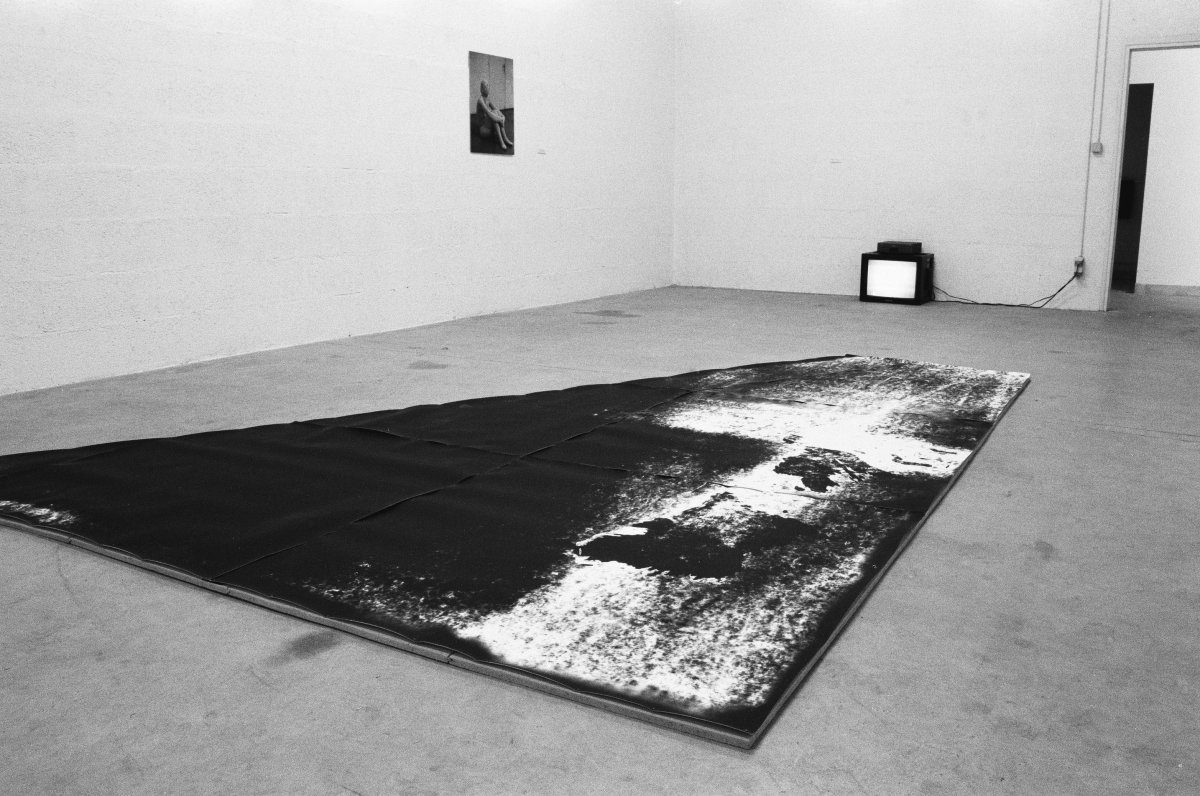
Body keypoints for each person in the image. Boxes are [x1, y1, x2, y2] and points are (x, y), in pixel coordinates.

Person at [476, 79, 513, 151]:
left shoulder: (488, 98)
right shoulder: (480, 100)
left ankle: (505, 139)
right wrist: (501, 119)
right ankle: (502, 141)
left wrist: (503, 116)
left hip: (489, 125)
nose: (488, 89)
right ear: (481, 89)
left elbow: (496, 109)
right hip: (484, 130)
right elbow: (489, 113)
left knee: (495, 112)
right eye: (485, 87)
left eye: (488, 86)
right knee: (494, 116)